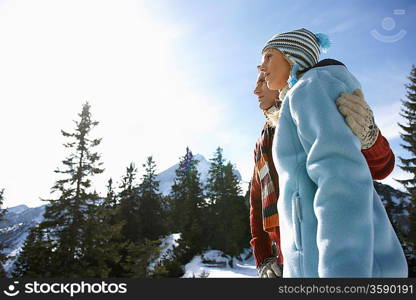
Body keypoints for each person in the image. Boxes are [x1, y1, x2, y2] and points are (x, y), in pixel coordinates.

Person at [256, 28, 407, 277]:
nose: (261, 67)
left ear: (293, 55)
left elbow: (341, 181)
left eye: (269, 56)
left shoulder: (312, 88)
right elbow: (260, 202)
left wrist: (343, 273)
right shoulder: (284, 115)